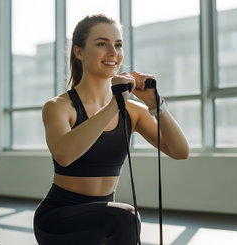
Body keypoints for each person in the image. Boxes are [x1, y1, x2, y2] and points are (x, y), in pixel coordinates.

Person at [33, 14, 189, 245]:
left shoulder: (133, 111)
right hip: (58, 218)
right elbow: (64, 155)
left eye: (118, 45)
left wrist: (156, 105)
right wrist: (115, 104)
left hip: (105, 218)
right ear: (79, 52)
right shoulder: (59, 107)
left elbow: (180, 151)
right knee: (125, 217)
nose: (113, 52)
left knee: (121, 218)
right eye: (102, 44)